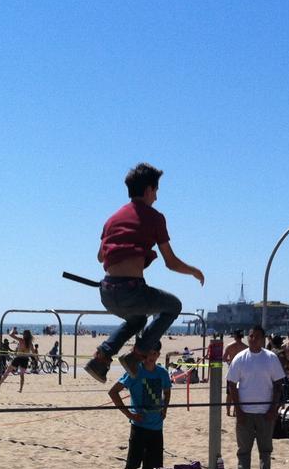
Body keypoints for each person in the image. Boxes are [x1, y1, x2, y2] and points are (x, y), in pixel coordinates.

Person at [84, 163, 205, 383]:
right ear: (149, 189)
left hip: (107, 293)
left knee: (138, 321)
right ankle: (136, 355)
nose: (156, 197)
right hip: (132, 292)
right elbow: (171, 262)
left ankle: (101, 358)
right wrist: (194, 271)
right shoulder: (154, 217)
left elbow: (101, 257)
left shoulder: (112, 219)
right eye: (156, 191)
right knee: (173, 306)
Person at [108, 343, 172, 469]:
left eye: (155, 353)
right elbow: (113, 392)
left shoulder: (162, 373)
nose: (151, 357)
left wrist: (164, 409)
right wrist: (129, 414)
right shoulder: (135, 371)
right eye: (149, 353)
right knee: (132, 463)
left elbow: (167, 390)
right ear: (144, 355)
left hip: (156, 427)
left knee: (149, 465)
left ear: (158, 354)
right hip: (139, 426)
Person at [225, 326, 285, 469]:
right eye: (251, 336)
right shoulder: (240, 358)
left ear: (263, 339)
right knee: (243, 449)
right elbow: (232, 385)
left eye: (257, 337)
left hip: (266, 413)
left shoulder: (271, 358)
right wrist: (239, 410)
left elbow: (278, 384)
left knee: (265, 449)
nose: (253, 339)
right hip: (245, 413)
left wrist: (273, 408)